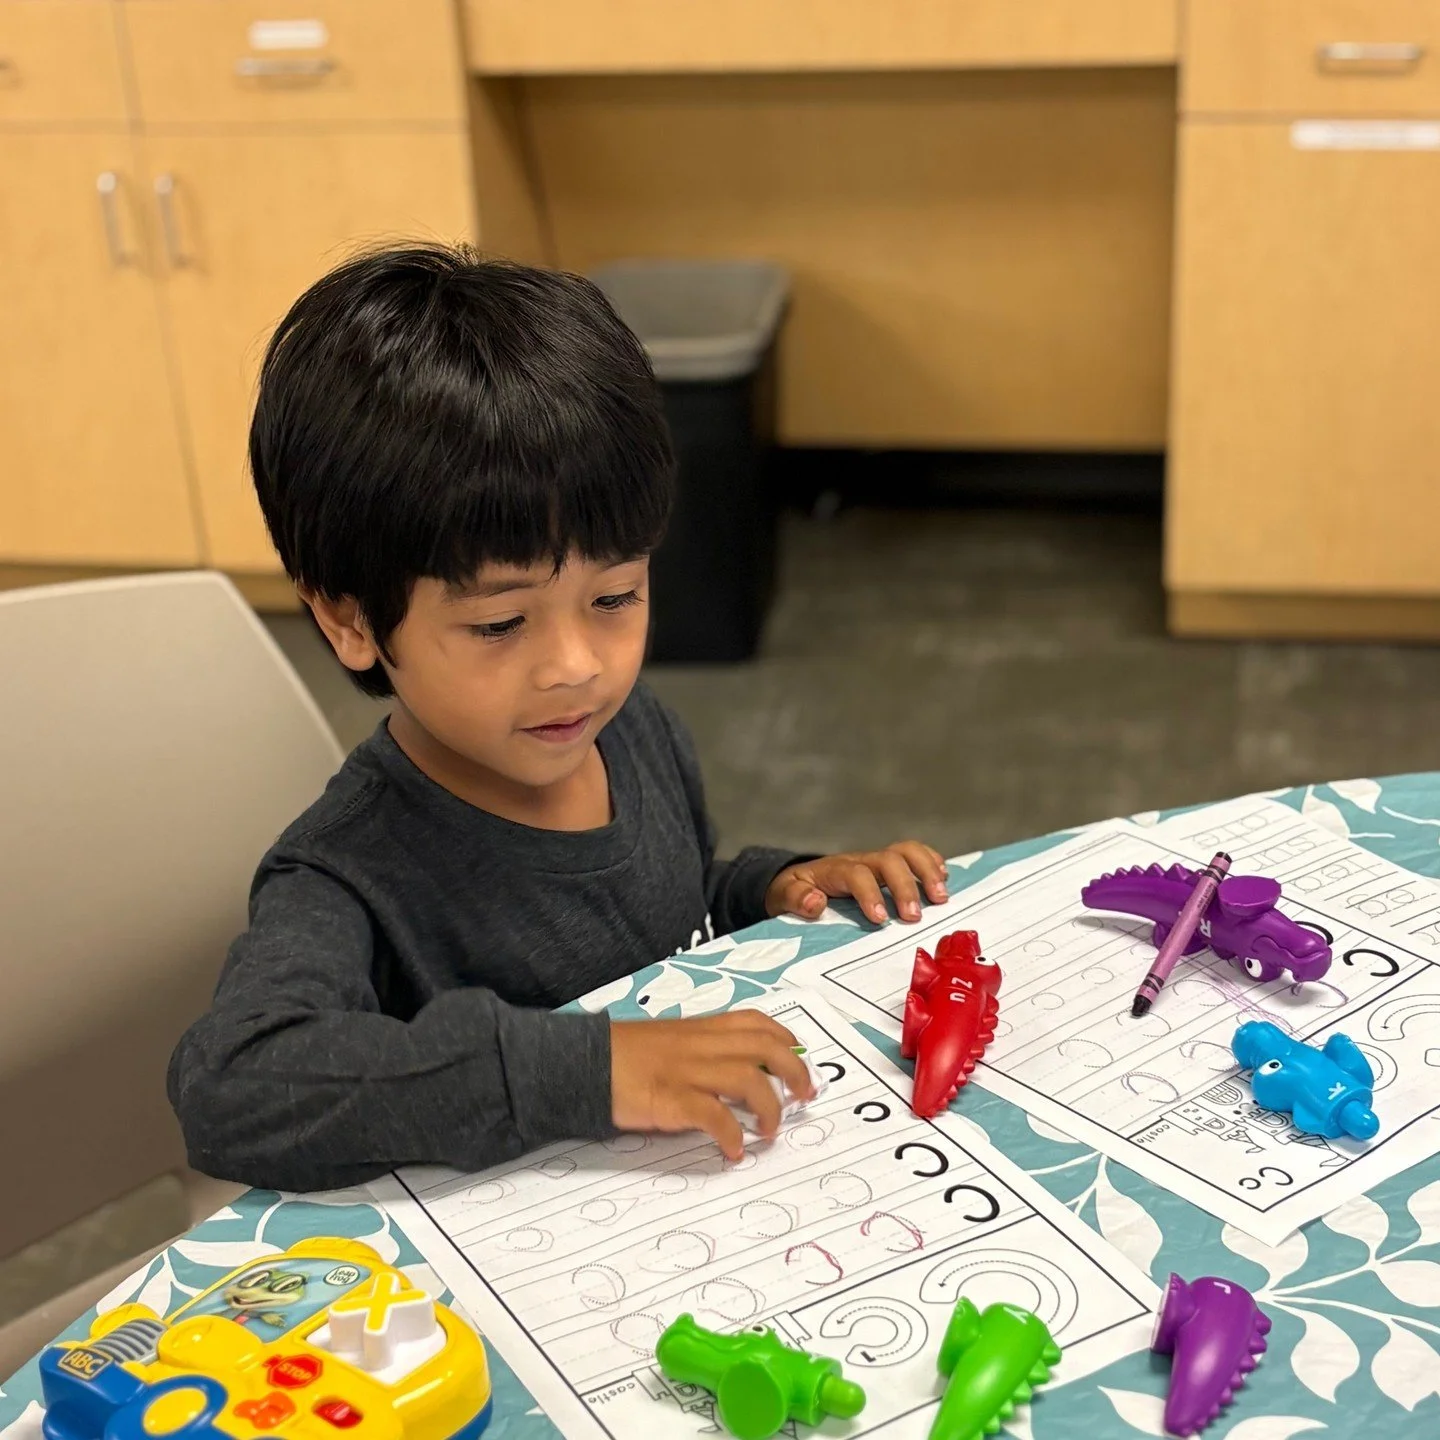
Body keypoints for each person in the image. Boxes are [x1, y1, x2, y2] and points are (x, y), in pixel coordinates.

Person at [168, 244, 949, 1192]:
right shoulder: (344, 875)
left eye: (615, 597)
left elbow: (666, 904)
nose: (578, 666)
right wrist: (594, 1068)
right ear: (349, 618)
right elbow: (233, 1089)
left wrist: (770, 886)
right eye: (501, 622)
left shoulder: (631, 730)